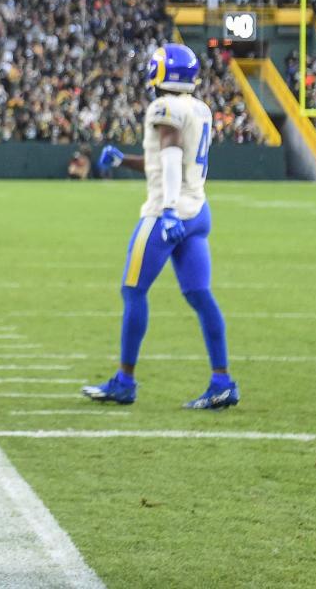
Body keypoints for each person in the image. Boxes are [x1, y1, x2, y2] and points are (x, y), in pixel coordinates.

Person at [83, 43, 239, 409]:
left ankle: (124, 381)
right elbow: (166, 159)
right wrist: (124, 161)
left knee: (133, 292)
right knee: (201, 296)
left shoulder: (163, 106)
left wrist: (167, 210)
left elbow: (170, 156)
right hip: (198, 212)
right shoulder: (199, 108)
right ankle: (222, 380)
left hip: (165, 214)